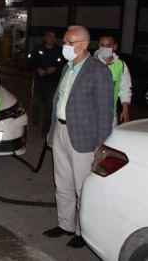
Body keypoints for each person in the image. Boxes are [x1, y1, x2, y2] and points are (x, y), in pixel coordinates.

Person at [43, 25, 113, 248]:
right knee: (61, 182)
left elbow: (105, 110)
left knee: (83, 187)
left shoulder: (99, 71)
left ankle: (84, 231)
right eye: (64, 42)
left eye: (68, 43)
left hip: (83, 136)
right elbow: (59, 102)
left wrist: (101, 143)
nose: (65, 46)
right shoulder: (68, 68)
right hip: (61, 131)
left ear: (83, 44)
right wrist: (52, 130)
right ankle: (66, 224)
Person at [28, 30, 65, 136]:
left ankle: (46, 129)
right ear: (45, 38)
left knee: (50, 105)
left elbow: (64, 65)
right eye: (49, 36)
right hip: (39, 82)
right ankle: (35, 123)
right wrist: (37, 69)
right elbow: (30, 64)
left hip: (53, 83)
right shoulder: (38, 50)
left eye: (54, 37)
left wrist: (55, 69)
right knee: (35, 103)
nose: (52, 38)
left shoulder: (59, 51)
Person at [94, 35, 132, 126]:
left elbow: (125, 89)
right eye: (102, 45)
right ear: (98, 46)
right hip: (90, 114)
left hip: (110, 115)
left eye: (108, 45)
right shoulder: (91, 63)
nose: (105, 48)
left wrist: (125, 110)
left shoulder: (121, 65)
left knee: (109, 140)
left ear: (114, 47)